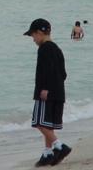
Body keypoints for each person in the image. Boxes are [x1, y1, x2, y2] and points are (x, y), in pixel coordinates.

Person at [23, 19, 71, 167]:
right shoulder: (57, 49)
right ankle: (47, 153)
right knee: (47, 124)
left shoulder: (44, 48)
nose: (33, 40)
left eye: (33, 36)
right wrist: (54, 88)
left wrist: (45, 89)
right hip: (58, 92)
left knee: (39, 123)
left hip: (46, 92)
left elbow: (47, 70)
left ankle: (60, 146)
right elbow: (63, 74)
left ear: (39, 33)